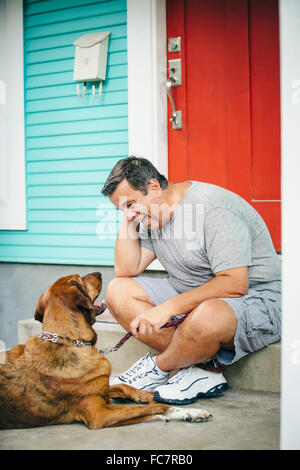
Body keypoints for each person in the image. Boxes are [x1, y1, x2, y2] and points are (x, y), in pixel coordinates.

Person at [101, 156, 281, 405]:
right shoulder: (155, 214)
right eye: (122, 208)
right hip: (193, 294)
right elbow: (126, 268)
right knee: (118, 291)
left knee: (207, 314)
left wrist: (169, 308)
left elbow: (234, 284)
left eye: (131, 203)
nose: (130, 214)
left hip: (255, 299)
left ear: (154, 187)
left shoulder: (212, 208)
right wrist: (128, 213)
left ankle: (156, 368)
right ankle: (202, 368)